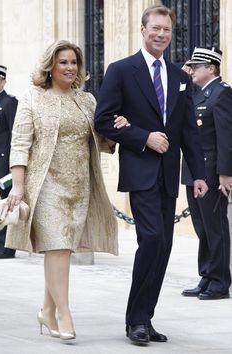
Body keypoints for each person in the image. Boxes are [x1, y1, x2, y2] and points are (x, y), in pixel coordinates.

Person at [95, 5, 208, 345]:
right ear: (142, 31)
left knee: (164, 247)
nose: (161, 34)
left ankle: (145, 317)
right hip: (140, 170)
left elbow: (189, 130)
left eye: (167, 30)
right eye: (155, 28)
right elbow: (103, 120)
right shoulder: (121, 70)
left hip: (169, 175)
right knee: (153, 239)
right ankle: (135, 321)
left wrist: (199, 174)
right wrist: (143, 137)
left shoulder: (179, 77)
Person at [5, 40, 128, 341]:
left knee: (62, 249)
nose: (70, 68)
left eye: (74, 62)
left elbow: (100, 141)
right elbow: (20, 144)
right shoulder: (33, 98)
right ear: (50, 66)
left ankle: (47, 311)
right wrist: (18, 187)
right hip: (45, 184)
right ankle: (64, 313)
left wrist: (117, 130)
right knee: (57, 245)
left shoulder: (86, 101)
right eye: (64, 62)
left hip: (80, 185)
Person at [181, 47, 232, 300]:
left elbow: (226, 137)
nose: (190, 71)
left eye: (195, 67)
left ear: (210, 68)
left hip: (212, 172)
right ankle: (207, 275)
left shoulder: (221, 94)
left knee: (215, 226)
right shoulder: (196, 94)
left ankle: (221, 281)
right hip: (194, 170)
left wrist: (225, 173)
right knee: (201, 226)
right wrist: (180, 76)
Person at [0, 64, 18, 259]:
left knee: (6, 204)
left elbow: (15, 135)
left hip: (3, 164)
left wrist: (13, 165)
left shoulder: (9, 102)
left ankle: (7, 246)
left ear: (3, 81)